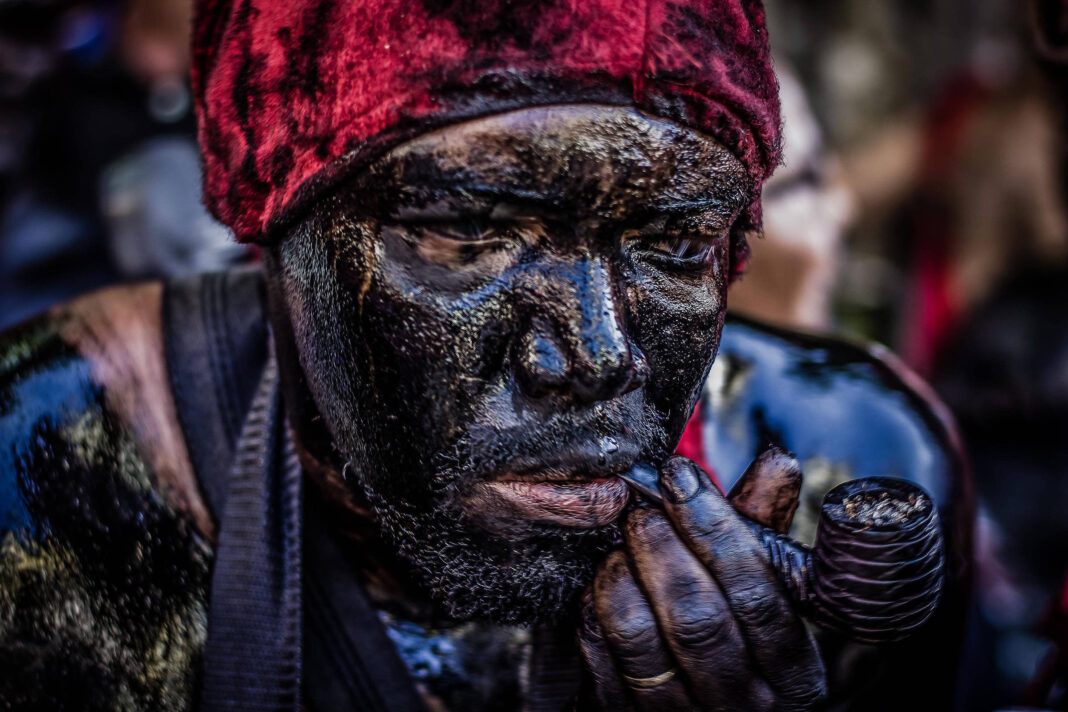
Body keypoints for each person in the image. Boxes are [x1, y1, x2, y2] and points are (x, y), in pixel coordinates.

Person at [0, 1, 972, 710]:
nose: (594, 354)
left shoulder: (867, 451)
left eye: (675, 247)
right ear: (280, 238)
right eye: (466, 231)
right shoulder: (44, 475)